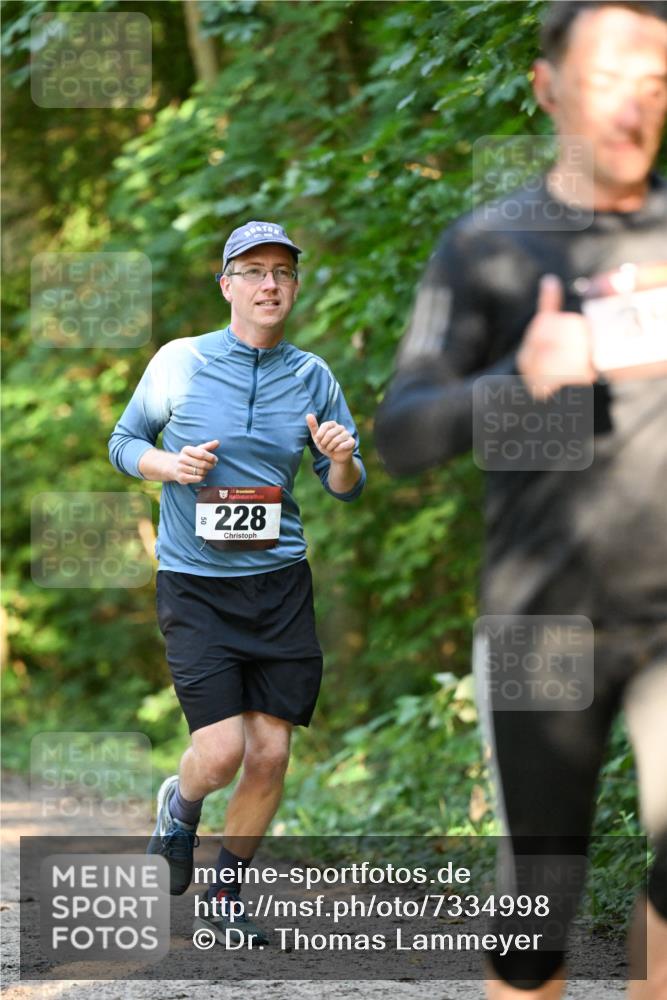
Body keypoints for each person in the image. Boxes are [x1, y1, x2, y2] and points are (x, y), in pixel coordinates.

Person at [375, 3, 667, 998]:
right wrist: (514, 385)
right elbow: (403, 432)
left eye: (655, 83)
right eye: (604, 81)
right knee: (538, 921)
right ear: (547, 90)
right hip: (546, 620)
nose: (633, 108)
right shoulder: (487, 246)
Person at [109, 220, 365, 945]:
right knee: (219, 754)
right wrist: (169, 467)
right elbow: (124, 443)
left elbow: (344, 484)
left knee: (273, 752)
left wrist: (341, 458)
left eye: (282, 272)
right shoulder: (179, 362)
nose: (269, 284)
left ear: (293, 286)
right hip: (195, 584)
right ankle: (180, 807)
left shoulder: (312, 376)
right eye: (252, 271)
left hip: (279, 583)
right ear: (227, 285)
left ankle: (227, 891)